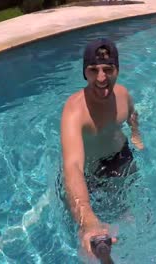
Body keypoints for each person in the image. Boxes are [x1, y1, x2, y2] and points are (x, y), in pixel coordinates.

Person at [60, 38, 144, 258]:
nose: (101, 78)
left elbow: (132, 116)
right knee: (89, 242)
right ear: (84, 73)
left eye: (108, 69)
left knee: (128, 215)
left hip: (122, 157)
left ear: (117, 69)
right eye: (93, 70)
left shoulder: (124, 95)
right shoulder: (74, 111)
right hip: (91, 172)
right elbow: (73, 165)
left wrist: (136, 136)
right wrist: (87, 219)